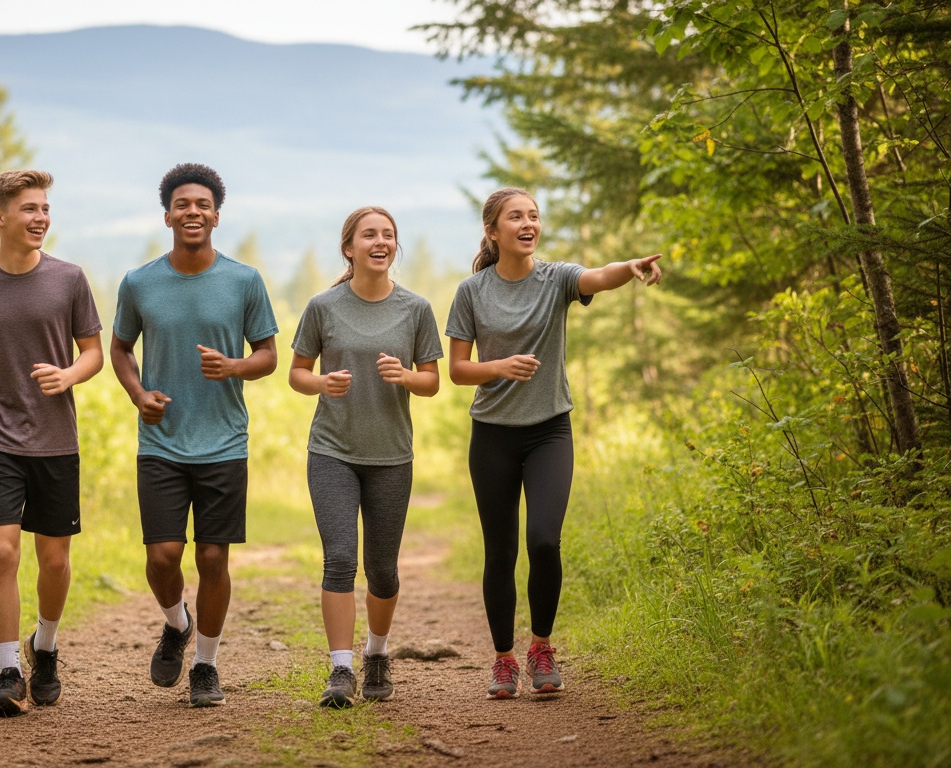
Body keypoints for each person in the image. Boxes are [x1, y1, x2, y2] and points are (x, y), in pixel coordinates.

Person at [445, 187, 663, 698]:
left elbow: (598, 276)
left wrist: (629, 266)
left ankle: (541, 647)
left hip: (549, 431)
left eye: (534, 216)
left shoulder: (557, 278)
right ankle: (504, 660)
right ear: (492, 231)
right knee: (500, 551)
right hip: (492, 434)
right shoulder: (471, 292)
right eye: (516, 217)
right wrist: (499, 367)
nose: (528, 224)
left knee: (544, 540)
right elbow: (457, 369)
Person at [110, 163, 278, 708]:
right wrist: (138, 394)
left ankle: (205, 664)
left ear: (216, 217)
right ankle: (176, 622)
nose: (193, 212)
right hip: (161, 440)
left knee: (212, 559)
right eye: (182, 204)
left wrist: (234, 367)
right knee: (163, 556)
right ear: (167, 216)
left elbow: (268, 355)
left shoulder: (244, 280)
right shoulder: (139, 282)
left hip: (224, 441)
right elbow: (119, 349)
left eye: (203, 204)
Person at [0, 170, 104, 716]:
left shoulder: (69, 278)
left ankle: (45, 647)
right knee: (3, 550)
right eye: (30, 209)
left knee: (53, 561)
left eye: (45, 208)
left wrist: (69, 374)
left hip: (55, 439)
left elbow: (93, 352)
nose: (41, 218)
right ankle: (9, 671)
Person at [288, 206, 442, 708]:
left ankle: (376, 652)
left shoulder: (415, 308)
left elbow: (432, 382)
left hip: (391, 455)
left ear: (395, 246)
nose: (380, 242)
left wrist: (406, 376)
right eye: (369, 235)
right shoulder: (323, 306)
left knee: (383, 570)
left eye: (388, 235)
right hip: (332, 450)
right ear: (348, 248)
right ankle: (341, 669)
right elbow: (296, 374)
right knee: (339, 559)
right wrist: (321, 383)